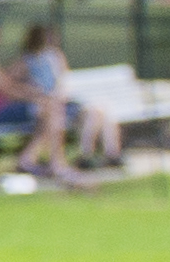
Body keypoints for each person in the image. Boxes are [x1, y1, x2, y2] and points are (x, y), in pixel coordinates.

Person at [17, 19, 122, 174]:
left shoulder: (55, 56)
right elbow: (12, 83)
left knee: (98, 111)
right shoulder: (27, 60)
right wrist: (34, 92)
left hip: (62, 102)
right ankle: (58, 162)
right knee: (53, 115)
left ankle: (98, 154)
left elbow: (64, 82)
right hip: (44, 104)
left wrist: (60, 94)